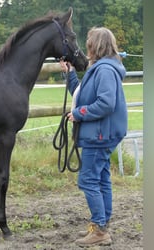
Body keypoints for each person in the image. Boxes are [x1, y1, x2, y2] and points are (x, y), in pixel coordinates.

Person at [60, 27, 128, 247]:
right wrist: (70, 74)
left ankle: (99, 229)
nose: (86, 46)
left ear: (96, 46)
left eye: (89, 42)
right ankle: (102, 225)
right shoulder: (99, 68)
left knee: (88, 180)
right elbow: (82, 95)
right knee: (101, 179)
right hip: (101, 134)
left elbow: (105, 104)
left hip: (99, 135)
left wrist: (79, 114)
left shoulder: (105, 71)